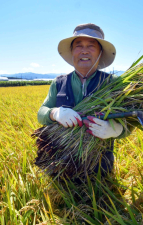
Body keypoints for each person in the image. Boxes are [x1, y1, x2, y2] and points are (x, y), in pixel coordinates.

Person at [37, 23, 131, 176]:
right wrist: (55, 113)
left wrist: (115, 129)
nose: (84, 50)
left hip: (101, 167)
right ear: (72, 52)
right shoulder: (59, 82)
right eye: (78, 46)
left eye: (91, 45)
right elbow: (41, 113)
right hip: (61, 165)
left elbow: (130, 121)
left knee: (102, 199)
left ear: (100, 53)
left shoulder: (113, 84)